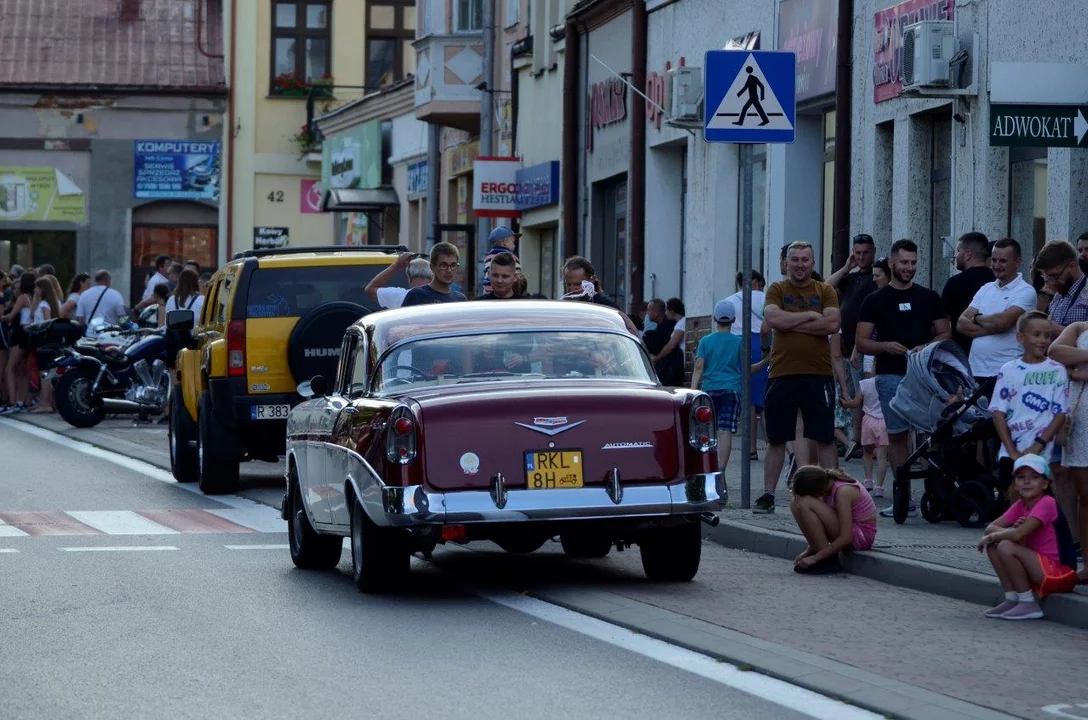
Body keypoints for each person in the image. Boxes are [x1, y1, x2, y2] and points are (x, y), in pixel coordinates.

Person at [856, 239, 950, 517]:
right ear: (892, 263)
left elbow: (945, 333)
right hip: (890, 375)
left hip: (923, 376)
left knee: (928, 434)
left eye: (913, 263)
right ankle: (903, 496)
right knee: (896, 435)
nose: (909, 268)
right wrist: (885, 346)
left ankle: (935, 492)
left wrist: (928, 346)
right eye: (904, 263)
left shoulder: (929, 297)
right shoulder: (875, 300)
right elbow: (861, 342)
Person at [757, 241, 840, 514]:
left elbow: (832, 324)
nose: (800, 265)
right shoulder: (777, 289)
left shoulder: (825, 290)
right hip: (782, 373)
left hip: (819, 375)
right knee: (777, 439)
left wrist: (790, 320)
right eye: (795, 260)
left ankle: (833, 492)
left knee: (825, 437)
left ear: (813, 263)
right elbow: (773, 320)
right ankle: (768, 494)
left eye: (805, 260)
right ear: (786, 263)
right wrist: (808, 316)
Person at [978, 454, 1078, 620]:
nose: (1026, 481)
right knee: (995, 545)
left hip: (1061, 573)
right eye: (1021, 477)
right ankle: (1013, 598)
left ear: (1045, 483)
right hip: (1039, 569)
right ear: (1015, 484)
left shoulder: (1047, 502)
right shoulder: (1020, 505)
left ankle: (1028, 603)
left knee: (1005, 545)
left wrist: (1001, 534)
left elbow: (1016, 535)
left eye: (1034, 477)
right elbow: (990, 528)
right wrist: (1006, 531)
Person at [989, 311, 1068, 493]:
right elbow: (998, 413)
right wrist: (1012, 451)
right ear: (1020, 337)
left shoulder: (1057, 370)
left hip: (1042, 456)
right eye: (1036, 335)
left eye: (1047, 336)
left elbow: (1060, 413)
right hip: (1010, 453)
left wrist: (1038, 445)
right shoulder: (1008, 370)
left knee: (1041, 509)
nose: (1043, 340)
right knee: (1010, 507)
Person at [956, 238, 1037, 397]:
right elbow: (960, 324)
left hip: (1005, 372)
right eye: (993, 260)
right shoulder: (986, 289)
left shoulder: (1026, 291)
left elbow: (1003, 322)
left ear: (1017, 262)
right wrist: (995, 327)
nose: (996, 265)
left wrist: (977, 318)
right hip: (975, 371)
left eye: (1003, 261)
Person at [827, 234, 879, 457]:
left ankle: (858, 440)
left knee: (861, 394)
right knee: (847, 396)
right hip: (844, 346)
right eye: (856, 253)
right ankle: (851, 438)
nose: (861, 257)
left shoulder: (876, 277)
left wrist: (860, 345)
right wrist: (847, 266)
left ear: (873, 251)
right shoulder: (851, 277)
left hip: (862, 346)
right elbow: (826, 287)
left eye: (865, 253)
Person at [1046, 316, 1088, 580]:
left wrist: (1079, 369)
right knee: (1086, 494)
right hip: (1081, 423)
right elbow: (1056, 352)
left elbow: (1071, 363)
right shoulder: (1080, 327)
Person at [789, 466, 878, 575]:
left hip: (861, 536)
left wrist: (816, 558)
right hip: (850, 531)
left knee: (805, 502)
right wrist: (809, 551)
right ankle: (817, 548)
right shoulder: (825, 486)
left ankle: (828, 560)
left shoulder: (843, 491)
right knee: (795, 502)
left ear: (815, 491)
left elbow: (846, 538)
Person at [690, 300, 743, 469]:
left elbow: (699, 367)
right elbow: (745, 369)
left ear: (714, 318)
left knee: (706, 430)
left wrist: (692, 391)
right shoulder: (739, 342)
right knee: (724, 431)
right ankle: (721, 471)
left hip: (710, 390)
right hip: (731, 390)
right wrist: (766, 361)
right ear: (734, 320)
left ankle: (707, 468)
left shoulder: (706, 341)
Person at [725, 270, 768, 459]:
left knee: (748, 401)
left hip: (740, 346)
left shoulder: (728, 301)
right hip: (763, 344)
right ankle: (776, 445)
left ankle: (750, 448)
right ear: (757, 282)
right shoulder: (766, 297)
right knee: (767, 400)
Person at [941, 232, 995, 355]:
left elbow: (943, 324)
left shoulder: (954, 283)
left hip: (962, 354)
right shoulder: (997, 281)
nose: (956, 255)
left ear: (968, 254)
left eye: (958, 250)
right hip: (994, 353)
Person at [840, 371, 889, 497]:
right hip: (884, 421)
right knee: (882, 456)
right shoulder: (888, 383)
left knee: (867, 452)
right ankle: (879, 487)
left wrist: (846, 404)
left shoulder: (865, 383)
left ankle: (868, 480)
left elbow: (856, 403)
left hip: (868, 420)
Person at [401, 243, 468, 306]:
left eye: (453, 265)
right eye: (443, 265)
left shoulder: (460, 299)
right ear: (432, 267)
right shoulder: (416, 296)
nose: (449, 270)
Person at [365, 252, 433, 309]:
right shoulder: (440, 297)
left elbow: (370, 289)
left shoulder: (400, 296)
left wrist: (396, 266)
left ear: (409, 278)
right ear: (432, 277)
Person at [74, 270, 128, 336]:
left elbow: (80, 320)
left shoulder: (84, 295)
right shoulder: (116, 295)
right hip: (110, 336)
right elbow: (122, 317)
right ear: (108, 280)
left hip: (90, 335)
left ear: (96, 280)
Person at [643, 299, 682, 384]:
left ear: (655, 313)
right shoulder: (661, 327)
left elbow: (667, 346)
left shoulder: (668, 326)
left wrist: (655, 358)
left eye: (649, 310)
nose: (647, 313)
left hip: (670, 370)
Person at [482, 226, 523, 295]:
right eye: (513, 242)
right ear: (505, 242)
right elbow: (519, 280)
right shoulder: (512, 258)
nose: (514, 246)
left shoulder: (487, 258)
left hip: (487, 293)